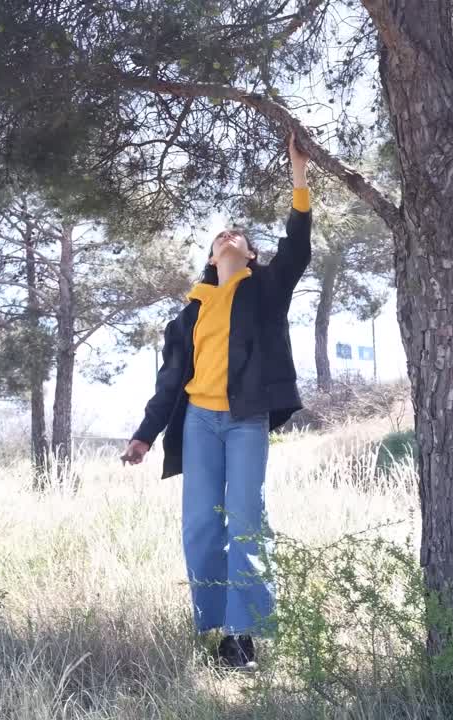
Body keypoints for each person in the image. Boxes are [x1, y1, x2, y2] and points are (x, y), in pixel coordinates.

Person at [121, 134, 312, 671]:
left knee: (246, 520)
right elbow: (169, 383)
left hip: (246, 421)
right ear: (211, 256)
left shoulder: (265, 290)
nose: (229, 236)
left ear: (249, 254)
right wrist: (144, 434)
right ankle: (213, 623)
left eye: (238, 235)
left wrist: (298, 176)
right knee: (202, 525)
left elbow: (297, 248)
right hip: (199, 424)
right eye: (219, 235)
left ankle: (242, 635)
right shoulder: (188, 316)